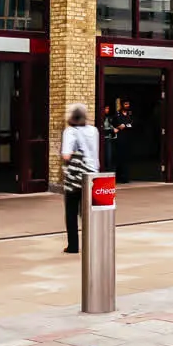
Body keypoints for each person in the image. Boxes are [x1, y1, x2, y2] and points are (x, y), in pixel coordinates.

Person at [60, 103, 99, 255]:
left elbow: (66, 155)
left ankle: (73, 246)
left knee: (71, 211)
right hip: (93, 175)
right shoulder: (93, 130)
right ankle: (93, 242)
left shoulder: (70, 131)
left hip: (76, 177)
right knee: (88, 211)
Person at [115, 99, 134, 184]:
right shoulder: (117, 114)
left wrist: (125, 125)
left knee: (127, 159)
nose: (127, 106)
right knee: (120, 158)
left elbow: (133, 123)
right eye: (125, 104)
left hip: (128, 139)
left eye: (128, 104)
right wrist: (119, 127)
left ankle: (125, 177)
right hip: (120, 139)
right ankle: (120, 177)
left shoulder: (130, 114)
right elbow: (115, 124)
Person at [100, 100, 118, 172]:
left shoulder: (109, 118)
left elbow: (111, 126)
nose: (107, 110)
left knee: (110, 157)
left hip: (109, 139)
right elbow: (101, 129)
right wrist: (111, 130)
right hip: (104, 139)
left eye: (108, 108)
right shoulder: (100, 118)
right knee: (106, 157)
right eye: (106, 108)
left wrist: (114, 129)